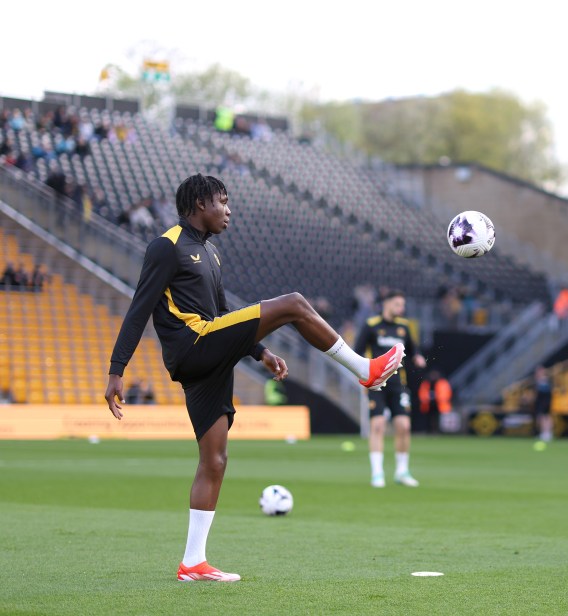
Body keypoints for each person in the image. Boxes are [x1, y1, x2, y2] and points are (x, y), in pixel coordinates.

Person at [105, 174, 404, 583]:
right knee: (295, 303)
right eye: (222, 202)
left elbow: (225, 314)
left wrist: (260, 352)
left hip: (209, 357)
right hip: (194, 345)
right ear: (198, 205)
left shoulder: (212, 254)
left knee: (215, 460)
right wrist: (116, 370)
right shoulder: (166, 245)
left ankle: (193, 562)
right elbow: (140, 308)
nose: (228, 210)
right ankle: (364, 370)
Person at [355, 289, 426, 488]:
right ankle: (377, 473)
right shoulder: (371, 326)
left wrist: (418, 357)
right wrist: (362, 377)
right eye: (397, 304)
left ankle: (402, 471)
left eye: (402, 305)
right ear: (386, 304)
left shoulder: (404, 327)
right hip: (376, 384)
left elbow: (413, 349)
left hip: (398, 384)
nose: (401, 308)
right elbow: (357, 353)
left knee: (404, 426)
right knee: (378, 425)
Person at [417, 369, 452, 434]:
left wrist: (437, 397)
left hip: (440, 405)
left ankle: (439, 431)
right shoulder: (426, 383)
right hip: (428, 405)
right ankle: (429, 431)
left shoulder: (443, 383)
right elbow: (422, 394)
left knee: (439, 419)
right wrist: (428, 397)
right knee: (428, 419)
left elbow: (446, 394)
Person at [531, 365, 553, 441]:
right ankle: (544, 432)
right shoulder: (538, 381)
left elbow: (546, 392)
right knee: (543, 417)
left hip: (544, 401)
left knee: (544, 417)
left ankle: (547, 433)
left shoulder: (544, 380)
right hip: (540, 401)